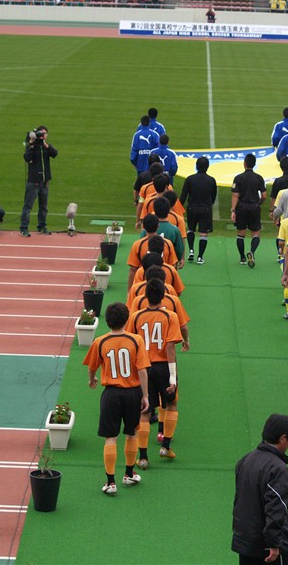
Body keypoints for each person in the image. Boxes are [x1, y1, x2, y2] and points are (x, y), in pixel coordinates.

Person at [83, 302, 150, 495]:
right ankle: (128, 474)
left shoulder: (100, 342)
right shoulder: (136, 340)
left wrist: (92, 379)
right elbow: (142, 370)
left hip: (111, 394)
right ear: (127, 319)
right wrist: (145, 395)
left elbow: (92, 367)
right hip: (132, 393)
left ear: (107, 321)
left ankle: (110, 482)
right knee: (132, 433)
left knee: (110, 437)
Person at [126, 278, 184, 466]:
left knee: (145, 410)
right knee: (171, 404)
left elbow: (130, 343)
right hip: (163, 367)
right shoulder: (170, 316)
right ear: (163, 296)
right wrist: (172, 376)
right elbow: (170, 347)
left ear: (146, 296)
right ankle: (165, 446)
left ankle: (143, 457)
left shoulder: (136, 317)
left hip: (144, 368)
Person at [232, 413, 288, 565]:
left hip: (245, 541)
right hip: (268, 547)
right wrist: (273, 544)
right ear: (283, 438)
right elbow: (276, 507)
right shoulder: (278, 469)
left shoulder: (245, 460)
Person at [179, 156, 217, 265]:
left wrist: (178, 209)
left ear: (196, 166)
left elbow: (183, 196)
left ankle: (191, 250)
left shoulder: (190, 179)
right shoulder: (211, 180)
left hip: (192, 208)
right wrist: (209, 204)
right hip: (205, 209)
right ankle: (200, 256)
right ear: (207, 167)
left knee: (191, 229)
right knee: (203, 233)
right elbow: (213, 196)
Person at [231, 153, 267, 268]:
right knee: (255, 233)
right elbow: (264, 195)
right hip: (254, 207)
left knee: (241, 233)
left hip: (242, 207)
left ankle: (242, 257)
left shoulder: (238, 178)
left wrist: (233, 210)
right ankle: (251, 251)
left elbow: (235, 195)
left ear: (244, 164)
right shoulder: (259, 178)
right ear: (254, 164)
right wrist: (259, 202)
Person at [21, 126, 57, 237]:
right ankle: (23, 228)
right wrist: (32, 144)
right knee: (28, 206)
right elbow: (27, 158)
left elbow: (55, 153)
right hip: (34, 182)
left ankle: (42, 226)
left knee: (43, 207)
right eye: (41, 133)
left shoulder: (45, 146)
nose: (43, 135)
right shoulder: (32, 146)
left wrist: (45, 144)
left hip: (44, 183)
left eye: (45, 133)